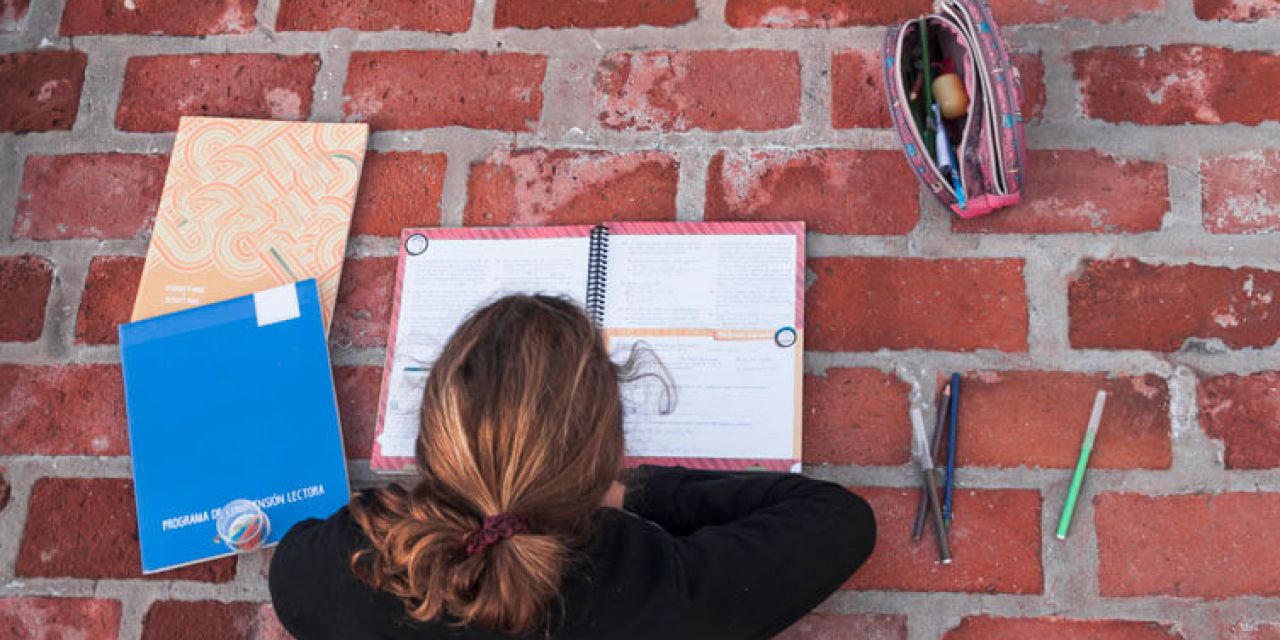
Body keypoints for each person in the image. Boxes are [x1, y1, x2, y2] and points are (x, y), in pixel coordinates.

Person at [269, 294, 876, 639]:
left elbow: (294, 558)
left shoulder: (344, 571)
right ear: (604, 464)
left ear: (435, 440)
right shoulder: (656, 593)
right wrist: (634, 494)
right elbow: (837, 518)